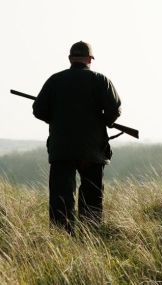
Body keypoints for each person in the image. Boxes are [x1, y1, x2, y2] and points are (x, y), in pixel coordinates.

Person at [33, 41, 121, 234]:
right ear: (90, 59)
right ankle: (90, 235)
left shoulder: (55, 80)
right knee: (92, 196)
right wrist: (105, 121)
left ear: (70, 58)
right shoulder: (100, 80)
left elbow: (38, 110)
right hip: (93, 149)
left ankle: (62, 237)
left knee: (61, 198)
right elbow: (115, 110)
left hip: (62, 149)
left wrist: (56, 120)